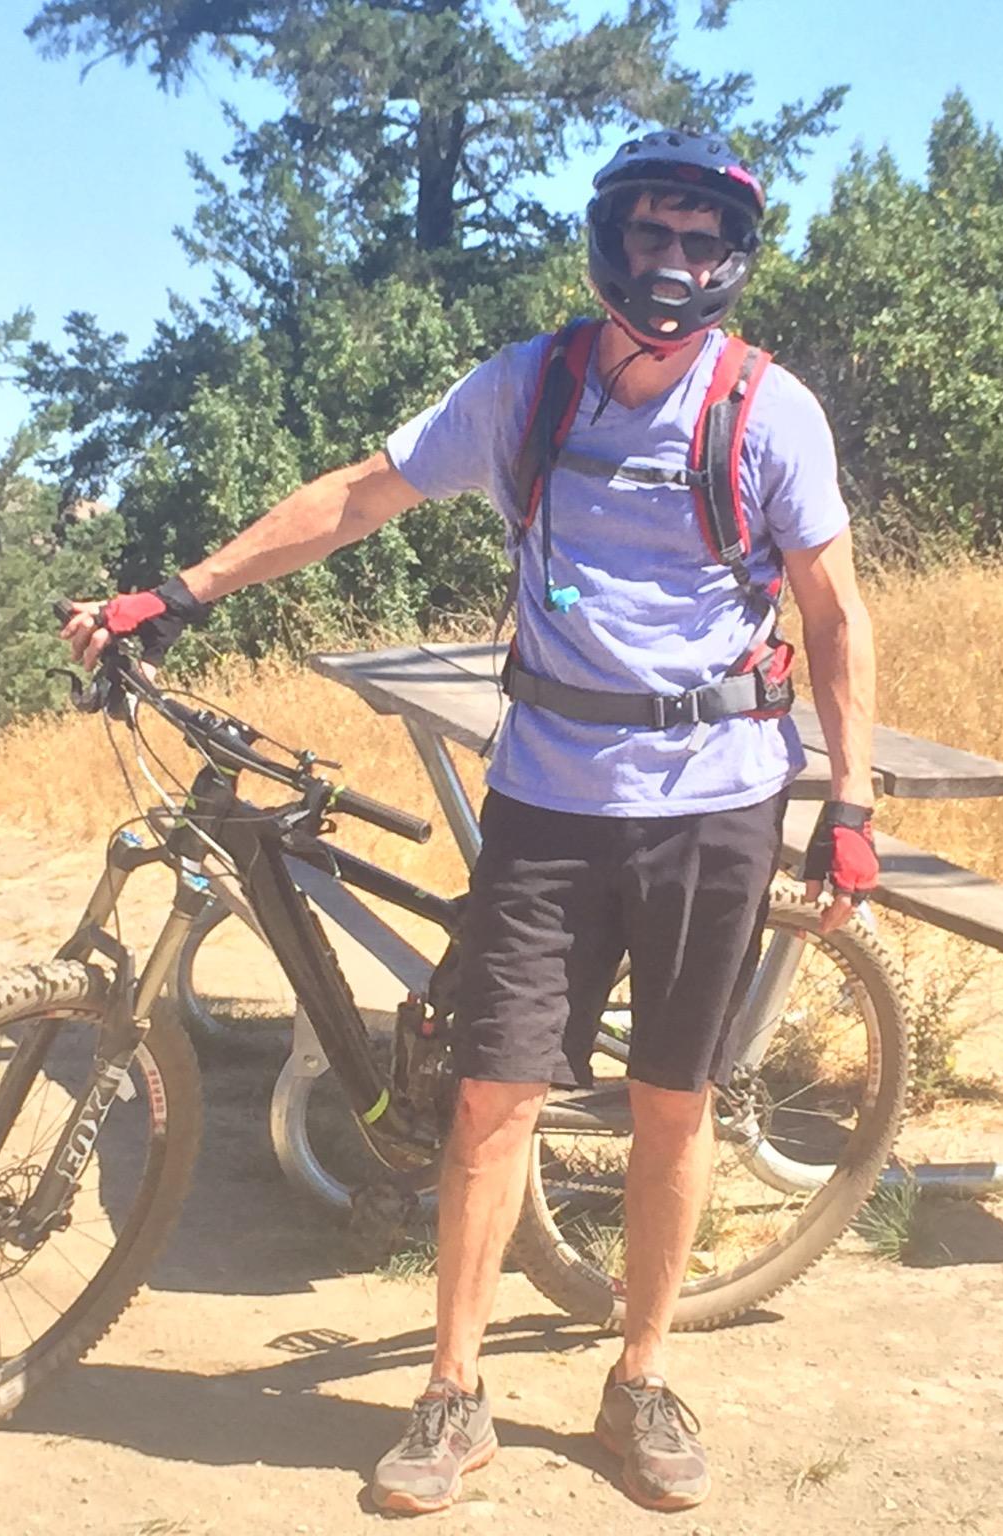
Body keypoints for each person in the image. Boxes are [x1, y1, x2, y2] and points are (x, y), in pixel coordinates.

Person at [62, 129, 880, 1516]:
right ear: (610, 237)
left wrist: (850, 796)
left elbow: (833, 610)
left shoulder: (769, 410)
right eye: (650, 234)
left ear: (729, 256)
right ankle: (453, 1393)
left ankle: (639, 1375)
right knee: (494, 1101)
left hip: (717, 804)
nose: (672, 263)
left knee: (672, 1108)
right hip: (552, 800)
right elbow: (358, 496)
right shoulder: (531, 390)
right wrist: (181, 591)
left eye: (699, 240)